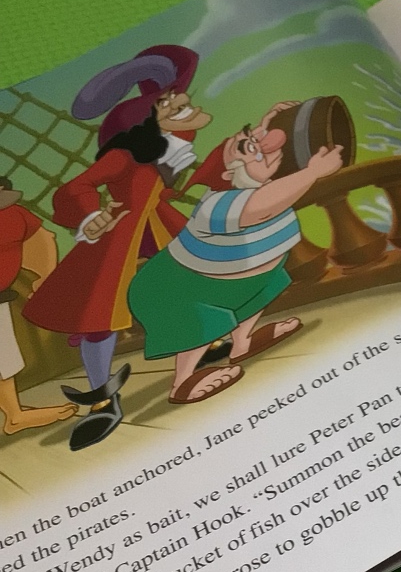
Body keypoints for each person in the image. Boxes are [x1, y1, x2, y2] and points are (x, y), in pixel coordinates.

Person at [22, 45, 212, 450]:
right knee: (101, 317)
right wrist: (92, 215)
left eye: (182, 104)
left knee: (189, 276)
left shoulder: (170, 144)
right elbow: (75, 188)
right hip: (119, 236)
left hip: (156, 225)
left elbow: (183, 138)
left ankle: (206, 342)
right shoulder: (124, 156)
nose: (188, 109)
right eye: (176, 107)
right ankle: (103, 400)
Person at [128, 122, 344, 404]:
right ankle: (182, 383)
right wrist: (312, 172)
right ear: (229, 174)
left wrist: (269, 122)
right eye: (249, 148)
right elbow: (259, 207)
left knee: (261, 286)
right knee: (201, 321)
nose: (266, 147)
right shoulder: (217, 204)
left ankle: (242, 343)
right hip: (173, 288)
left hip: (235, 278)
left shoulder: (263, 185)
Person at [0, 177, 77, 434]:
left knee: (5, 359)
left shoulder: (13, 214)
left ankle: (14, 416)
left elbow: (40, 239)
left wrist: (44, 278)